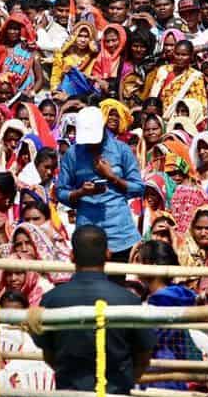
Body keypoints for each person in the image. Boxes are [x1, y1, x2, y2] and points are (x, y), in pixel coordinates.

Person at [31, 225, 157, 397]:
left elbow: (48, 354)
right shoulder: (128, 301)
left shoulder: (51, 300)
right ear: (108, 254)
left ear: (71, 256)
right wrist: (123, 381)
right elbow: (144, 355)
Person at [57, 107, 144, 274]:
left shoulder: (122, 150)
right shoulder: (72, 154)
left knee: (119, 287)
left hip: (120, 232)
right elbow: (61, 191)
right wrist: (81, 192)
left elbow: (139, 188)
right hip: (87, 232)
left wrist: (113, 178)